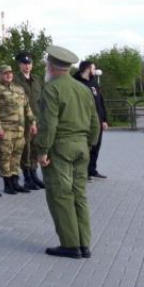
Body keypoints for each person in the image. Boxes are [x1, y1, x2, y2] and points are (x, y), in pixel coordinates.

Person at [34, 46, 99, 258]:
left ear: (51, 67)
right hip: (81, 148)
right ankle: (84, 244)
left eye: (46, 66)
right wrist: (88, 144)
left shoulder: (52, 89)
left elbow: (48, 124)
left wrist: (42, 150)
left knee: (61, 195)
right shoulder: (83, 89)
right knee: (79, 195)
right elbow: (95, 123)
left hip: (60, 148)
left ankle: (71, 245)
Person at [0, 64, 36, 195]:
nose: (9, 75)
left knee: (16, 156)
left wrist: (32, 122)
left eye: (10, 73)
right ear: (0, 75)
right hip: (5, 130)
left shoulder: (19, 89)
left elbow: (27, 107)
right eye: (5, 73)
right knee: (5, 156)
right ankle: (7, 183)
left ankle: (15, 181)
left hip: (20, 130)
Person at [73, 60, 110, 180]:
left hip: (97, 121)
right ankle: (83, 172)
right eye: (93, 69)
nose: (95, 71)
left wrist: (104, 119)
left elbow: (100, 101)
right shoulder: (75, 83)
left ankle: (92, 170)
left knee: (96, 146)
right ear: (87, 69)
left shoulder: (94, 82)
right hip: (83, 122)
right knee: (85, 148)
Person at [13, 51, 45, 189]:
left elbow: (42, 99)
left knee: (35, 148)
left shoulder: (37, 79)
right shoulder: (14, 79)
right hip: (22, 120)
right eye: (24, 63)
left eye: (29, 63)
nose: (27, 66)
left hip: (36, 119)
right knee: (25, 148)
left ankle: (34, 174)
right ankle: (27, 177)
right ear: (19, 65)